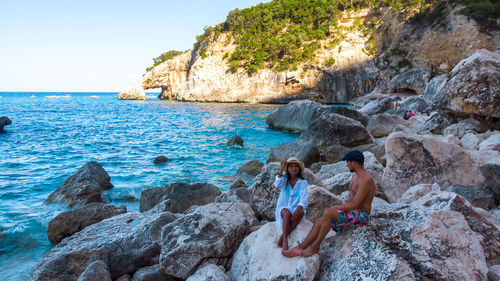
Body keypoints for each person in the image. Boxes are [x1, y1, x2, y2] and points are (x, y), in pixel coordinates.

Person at [282, 150, 375, 258]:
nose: (346, 164)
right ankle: (301, 247)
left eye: (348, 162)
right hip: (352, 213)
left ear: (354, 162)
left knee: (329, 213)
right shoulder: (355, 177)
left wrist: (335, 208)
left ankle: (315, 247)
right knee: (320, 221)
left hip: (361, 216)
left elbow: (356, 204)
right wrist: (336, 210)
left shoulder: (366, 180)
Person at [274, 157, 309, 254]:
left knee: (301, 213)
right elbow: (277, 185)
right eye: (291, 166)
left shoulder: (303, 182)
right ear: (288, 169)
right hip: (283, 208)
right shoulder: (284, 180)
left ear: (299, 169)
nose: (294, 168)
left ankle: (283, 235)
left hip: (295, 208)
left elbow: (303, 197)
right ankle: (284, 240)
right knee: (287, 213)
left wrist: (298, 208)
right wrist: (281, 169)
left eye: (296, 166)